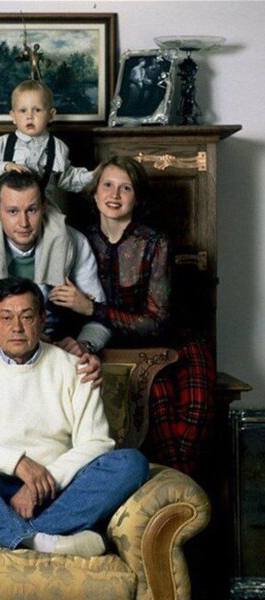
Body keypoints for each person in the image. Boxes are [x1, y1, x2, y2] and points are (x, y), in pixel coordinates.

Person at [0, 277, 149, 557]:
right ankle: (41, 541)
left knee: (131, 463)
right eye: (6, 317)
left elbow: (96, 443)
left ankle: (3, 535)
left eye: (26, 317)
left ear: (41, 320)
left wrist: (41, 482)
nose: (16, 327)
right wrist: (18, 464)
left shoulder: (75, 369)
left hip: (60, 491)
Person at [81, 155, 217, 477]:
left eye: (125, 187)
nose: (115, 195)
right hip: (120, 348)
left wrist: (92, 309)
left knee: (196, 408)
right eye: (107, 185)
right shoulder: (80, 241)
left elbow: (157, 323)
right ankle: (168, 487)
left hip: (176, 340)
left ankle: (181, 489)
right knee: (158, 403)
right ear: (95, 193)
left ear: (137, 197)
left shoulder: (155, 242)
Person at [0, 169, 111, 358]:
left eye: (31, 210)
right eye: (13, 211)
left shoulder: (74, 243)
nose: (24, 223)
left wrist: (84, 344)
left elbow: (102, 318)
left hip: (57, 353)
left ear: (43, 207)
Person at [0, 79, 94, 292]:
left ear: (51, 115)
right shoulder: (3, 144)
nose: (29, 116)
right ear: (13, 116)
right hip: (0, 203)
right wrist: (6, 166)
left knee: (58, 232)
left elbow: (67, 177)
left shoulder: (57, 148)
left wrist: (94, 177)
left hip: (42, 202)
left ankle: (49, 282)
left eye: (37, 110)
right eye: (23, 111)